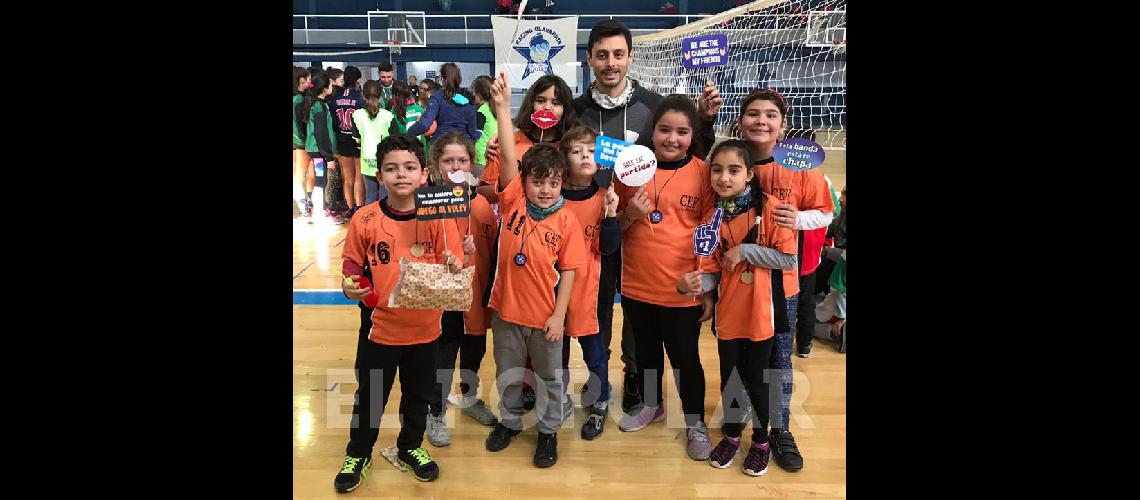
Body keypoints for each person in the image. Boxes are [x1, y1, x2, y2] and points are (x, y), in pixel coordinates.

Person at [570, 19, 722, 412]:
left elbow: (689, 153)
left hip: (642, 227)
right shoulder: (575, 111)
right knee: (596, 303)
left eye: (618, 54)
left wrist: (704, 119)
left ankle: (635, 375)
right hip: (591, 225)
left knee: (638, 312)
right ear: (589, 59)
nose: (610, 62)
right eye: (602, 55)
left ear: (630, 57)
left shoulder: (653, 104)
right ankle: (597, 375)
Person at [334, 134, 463, 491]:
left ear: (424, 174)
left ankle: (409, 446)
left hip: (426, 332)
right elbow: (352, 264)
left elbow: (454, 264)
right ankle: (358, 453)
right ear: (380, 174)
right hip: (380, 332)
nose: (401, 175)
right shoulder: (365, 218)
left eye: (409, 167)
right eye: (391, 168)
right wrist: (350, 284)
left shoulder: (438, 217)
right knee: (371, 395)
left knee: (418, 396)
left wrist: (455, 262)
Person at [483, 72, 587, 469]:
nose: (545, 189)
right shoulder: (512, 204)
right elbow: (509, 157)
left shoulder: (567, 222)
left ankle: (547, 433)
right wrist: (504, 110)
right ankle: (509, 423)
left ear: (563, 184)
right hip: (506, 313)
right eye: (538, 182)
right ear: (523, 182)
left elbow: (573, 271)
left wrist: (559, 316)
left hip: (545, 320)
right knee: (507, 373)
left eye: (554, 183)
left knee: (549, 380)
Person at [677, 139, 796, 477]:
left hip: (762, 312)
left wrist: (745, 252)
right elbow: (714, 268)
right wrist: (697, 286)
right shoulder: (712, 216)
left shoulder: (772, 209)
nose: (724, 177)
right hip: (729, 312)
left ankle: (760, 441)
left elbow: (787, 258)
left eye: (734, 170)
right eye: (717, 170)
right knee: (729, 379)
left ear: (749, 175)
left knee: (759, 379)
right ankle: (731, 434)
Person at [613, 95, 719, 463]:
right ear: (652, 131)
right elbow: (617, 228)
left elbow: (710, 231)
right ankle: (651, 404)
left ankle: (695, 423)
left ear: (692, 135)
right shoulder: (629, 169)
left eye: (682, 132)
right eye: (664, 130)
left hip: (682, 288)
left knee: (685, 358)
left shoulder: (705, 173)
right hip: (637, 282)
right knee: (645, 352)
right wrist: (629, 212)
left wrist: (706, 284)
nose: (672, 138)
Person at [737, 88, 834, 473]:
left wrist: (799, 219)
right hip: (737, 280)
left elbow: (824, 213)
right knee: (739, 355)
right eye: (753, 113)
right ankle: (737, 421)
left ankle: (780, 428)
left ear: (783, 125)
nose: (761, 120)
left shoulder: (799, 166)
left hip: (780, 282)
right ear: (741, 120)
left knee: (778, 358)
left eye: (770, 115)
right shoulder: (729, 160)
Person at [407, 63, 481, 145]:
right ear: (459, 79)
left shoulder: (437, 97)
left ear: (442, 79)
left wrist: (407, 134)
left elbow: (425, 124)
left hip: (441, 144)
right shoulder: (468, 98)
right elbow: (473, 132)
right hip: (463, 144)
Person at [330, 66, 366, 219]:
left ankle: (349, 208)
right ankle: (359, 207)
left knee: (348, 177)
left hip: (342, 138)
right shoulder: (360, 97)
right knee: (359, 176)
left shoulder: (335, 98)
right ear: (358, 80)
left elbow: (332, 121)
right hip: (357, 139)